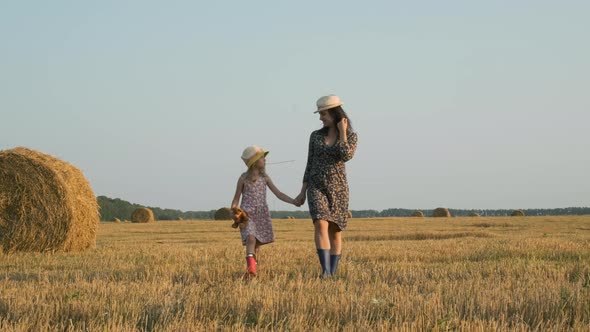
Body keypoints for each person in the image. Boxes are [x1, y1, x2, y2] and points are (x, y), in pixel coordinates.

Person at [295, 95, 358, 278]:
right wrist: (302, 191)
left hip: (338, 189)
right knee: (320, 224)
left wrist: (343, 132)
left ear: (334, 113)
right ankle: (325, 272)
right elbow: (309, 163)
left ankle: (332, 272)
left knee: (335, 232)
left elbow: (346, 155)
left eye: (323, 113)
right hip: (316, 186)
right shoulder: (315, 136)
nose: (320, 117)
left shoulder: (351, 137)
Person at [231, 145, 300, 278]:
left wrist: (293, 201)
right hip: (247, 215)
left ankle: (253, 269)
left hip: (261, 215)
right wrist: (234, 211)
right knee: (250, 238)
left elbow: (278, 194)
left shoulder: (265, 178)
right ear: (255, 161)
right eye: (262, 157)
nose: (265, 160)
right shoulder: (243, 178)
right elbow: (236, 199)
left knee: (257, 244)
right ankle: (251, 269)